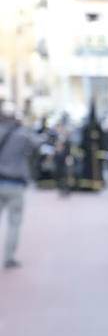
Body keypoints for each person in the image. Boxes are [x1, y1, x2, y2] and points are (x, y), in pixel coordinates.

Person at [0, 101, 38, 270]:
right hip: (15, 184)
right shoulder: (22, 134)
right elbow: (36, 145)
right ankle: (9, 257)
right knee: (14, 223)